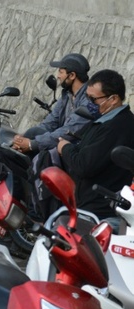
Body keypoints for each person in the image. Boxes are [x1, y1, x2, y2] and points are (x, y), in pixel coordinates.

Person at [57, 69, 134, 224]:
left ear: (113, 99)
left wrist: (64, 148)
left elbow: (84, 165)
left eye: (93, 99)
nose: (90, 104)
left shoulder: (117, 127)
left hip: (99, 212)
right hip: (85, 204)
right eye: (87, 97)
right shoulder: (103, 120)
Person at [13, 53, 94, 153]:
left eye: (61, 72)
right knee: (33, 133)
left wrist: (32, 144)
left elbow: (69, 131)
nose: (58, 76)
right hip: (60, 144)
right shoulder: (67, 95)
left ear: (72, 75)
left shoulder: (89, 99)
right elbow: (50, 123)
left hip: (75, 150)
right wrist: (23, 139)